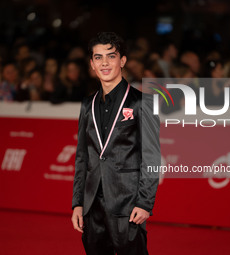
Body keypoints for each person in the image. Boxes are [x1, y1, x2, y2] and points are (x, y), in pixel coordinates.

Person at [71, 32, 160, 255]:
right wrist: (78, 203)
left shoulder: (143, 103)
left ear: (122, 60)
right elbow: (83, 157)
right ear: (92, 64)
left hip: (128, 205)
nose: (105, 63)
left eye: (111, 56)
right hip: (92, 206)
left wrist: (145, 203)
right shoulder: (87, 105)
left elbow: (151, 158)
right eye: (98, 57)